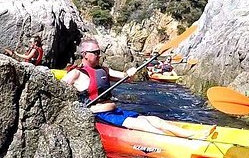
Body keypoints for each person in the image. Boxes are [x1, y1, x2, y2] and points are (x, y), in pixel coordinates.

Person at [61, 38, 214, 138]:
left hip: (114, 112)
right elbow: (57, 90)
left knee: (154, 120)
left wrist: (130, 73)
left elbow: (126, 77)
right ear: (84, 54)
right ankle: (187, 140)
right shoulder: (75, 74)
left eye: (99, 52)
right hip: (101, 117)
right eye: (95, 53)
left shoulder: (104, 70)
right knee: (144, 125)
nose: (99, 55)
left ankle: (191, 134)